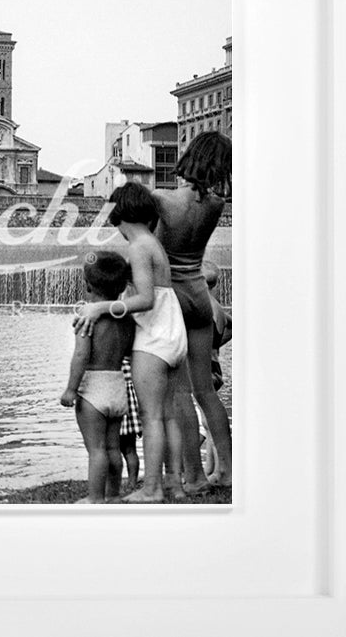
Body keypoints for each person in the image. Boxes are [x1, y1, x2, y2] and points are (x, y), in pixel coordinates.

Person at [73, 183, 186, 503]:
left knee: (151, 416)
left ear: (119, 215)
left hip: (154, 334)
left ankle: (151, 489)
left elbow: (147, 299)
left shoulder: (137, 246)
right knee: (167, 415)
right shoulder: (154, 244)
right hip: (173, 330)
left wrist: (100, 307)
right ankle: (174, 485)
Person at [153, 131, 233, 490]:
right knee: (206, 390)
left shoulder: (164, 201)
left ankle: (195, 475)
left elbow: (150, 251)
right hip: (200, 295)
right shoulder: (215, 205)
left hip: (173, 297)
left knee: (179, 391)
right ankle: (228, 472)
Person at [60, 252, 135, 503]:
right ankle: (113, 494)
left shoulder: (87, 315)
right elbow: (127, 351)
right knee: (114, 447)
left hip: (93, 389)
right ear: (123, 286)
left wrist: (71, 389)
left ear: (88, 285)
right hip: (117, 385)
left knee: (96, 449)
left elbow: (81, 355)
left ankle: (95, 499)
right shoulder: (127, 318)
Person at [200, 260, 232, 477]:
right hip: (214, 364)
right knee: (207, 421)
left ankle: (218, 468)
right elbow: (232, 325)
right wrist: (216, 345)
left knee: (208, 420)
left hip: (206, 366)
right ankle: (212, 467)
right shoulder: (217, 306)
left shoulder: (205, 308)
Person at [119, 357, 142, 491]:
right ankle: (132, 483)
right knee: (130, 449)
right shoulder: (131, 359)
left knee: (112, 448)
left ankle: (114, 482)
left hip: (114, 397)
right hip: (131, 403)